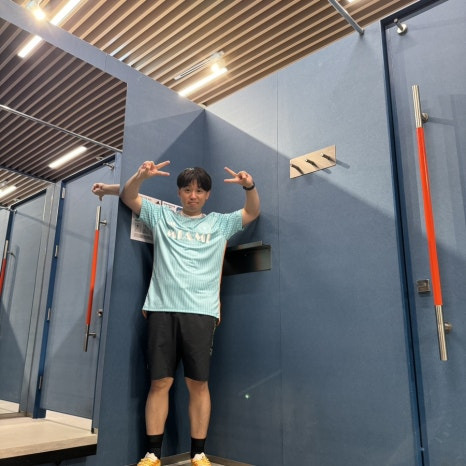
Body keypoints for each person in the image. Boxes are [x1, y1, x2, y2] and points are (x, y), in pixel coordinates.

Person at [92, 160, 260, 466]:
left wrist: (249, 186)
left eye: (199, 191)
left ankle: (198, 453)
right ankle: (152, 454)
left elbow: (252, 212)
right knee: (160, 383)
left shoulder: (219, 224)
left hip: (201, 313)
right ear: (179, 192)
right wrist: (139, 176)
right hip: (161, 310)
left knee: (198, 385)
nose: (193, 195)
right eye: (187, 190)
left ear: (208, 195)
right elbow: (129, 196)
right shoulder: (161, 217)